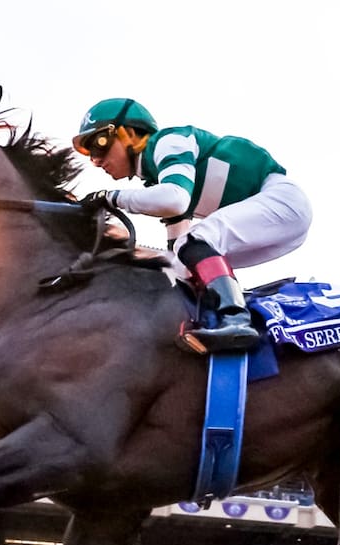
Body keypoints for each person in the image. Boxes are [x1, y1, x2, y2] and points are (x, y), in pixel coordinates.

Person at [73, 97, 312, 353]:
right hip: (281, 214)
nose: (96, 161)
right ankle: (219, 315)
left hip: (282, 199)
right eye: (91, 153)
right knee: (186, 259)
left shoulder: (167, 141)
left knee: (196, 241)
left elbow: (175, 200)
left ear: (130, 133)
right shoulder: (160, 180)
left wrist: (111, 197)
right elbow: (177, 256)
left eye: (99, 144)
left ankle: (235, 319)